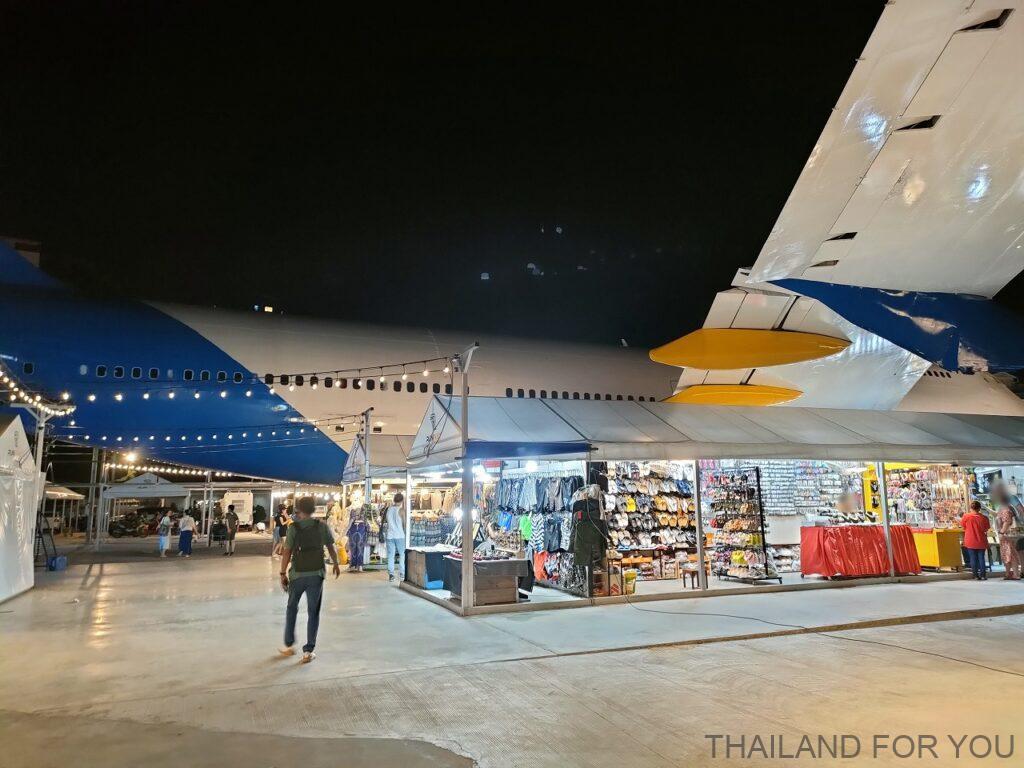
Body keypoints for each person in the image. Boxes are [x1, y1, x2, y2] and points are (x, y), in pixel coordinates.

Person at [279, 496, 341, 663]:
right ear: (314, 509)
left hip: (297, 574)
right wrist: (335, 564)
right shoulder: (321, 526)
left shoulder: (293, 528)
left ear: (298, 510)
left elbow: (287, 552)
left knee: (292, 607)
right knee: (313, 611)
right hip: (316, 574)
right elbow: (331, 547)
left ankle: (289, 644)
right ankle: (308, 651)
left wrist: (282, 573)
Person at [994, 488, 1023, 580]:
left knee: (1010, 554)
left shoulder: (1005, 509)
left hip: (1006, 535)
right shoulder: (1008, 508)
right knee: (1009, 554)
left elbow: (1007, 521)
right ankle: (1009, 573)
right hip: (1008, 535)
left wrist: (1001, 532)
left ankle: (1015, 574)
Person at [960, 500, 990, 580]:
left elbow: (963, 526)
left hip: (970, 540)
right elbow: (986, 528)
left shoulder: (966, 516)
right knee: (981, 558)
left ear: (971, 508)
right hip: (981, 540)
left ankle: (975, 575)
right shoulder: (984, 518)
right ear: (979, 508)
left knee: (972, 558)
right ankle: (983, 575)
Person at [384, 493, 407, 583]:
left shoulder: (388, 509)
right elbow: (404, 524)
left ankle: (391, 575)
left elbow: (387, 521)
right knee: (402, 554)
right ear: (402, 501)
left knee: (391, 555)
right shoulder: (402, 510)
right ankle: (402, 574)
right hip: (400, 535)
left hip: (390, 535)